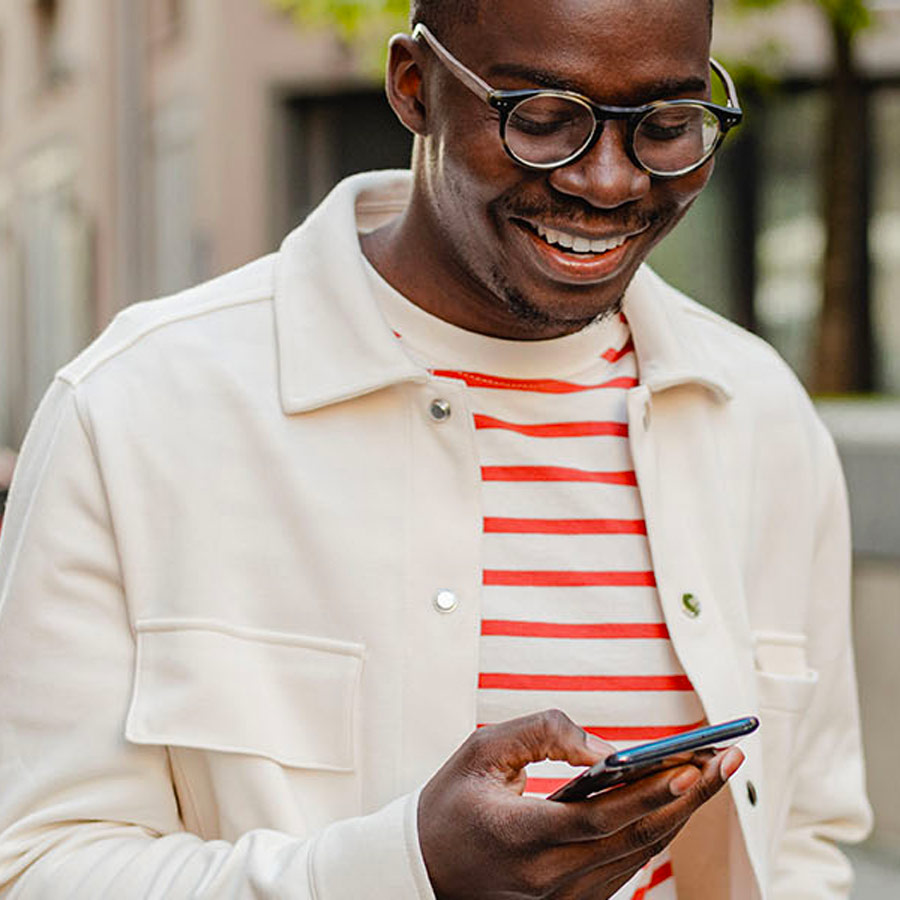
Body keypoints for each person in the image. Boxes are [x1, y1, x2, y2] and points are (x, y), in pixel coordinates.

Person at [0, 0, 871, 897]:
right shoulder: (135, 410)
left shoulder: (761, 416)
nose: (610, 183)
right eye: (542, 119)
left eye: (665, 125)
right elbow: (37, 866)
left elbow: (803, 842)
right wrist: (405, 874)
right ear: (415, 87)